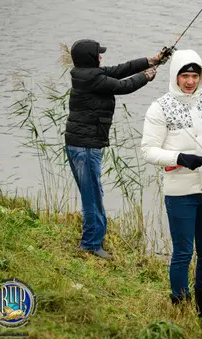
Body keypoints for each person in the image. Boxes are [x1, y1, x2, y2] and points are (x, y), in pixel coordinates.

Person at [140, 49, 202, 324]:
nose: (190, 81)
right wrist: (179, 158)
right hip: (180, 193)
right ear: (175, 76)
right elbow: (148, 151)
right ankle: (180, 308)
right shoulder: (159, 108)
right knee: (183, 252)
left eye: (195, 75)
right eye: (185, 75)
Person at [65, 39, 172, 259]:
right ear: (90, 58)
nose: (101, 57)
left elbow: (120, 70)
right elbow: (123, 86)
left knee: (94, 192)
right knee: (92, 195)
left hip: (82, 144)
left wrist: (151, 61)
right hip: (86, 146)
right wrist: (146, 76)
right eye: (98, 54)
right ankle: (91, 245)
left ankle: (95, 240)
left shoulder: (85, 73)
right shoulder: (92, 78)